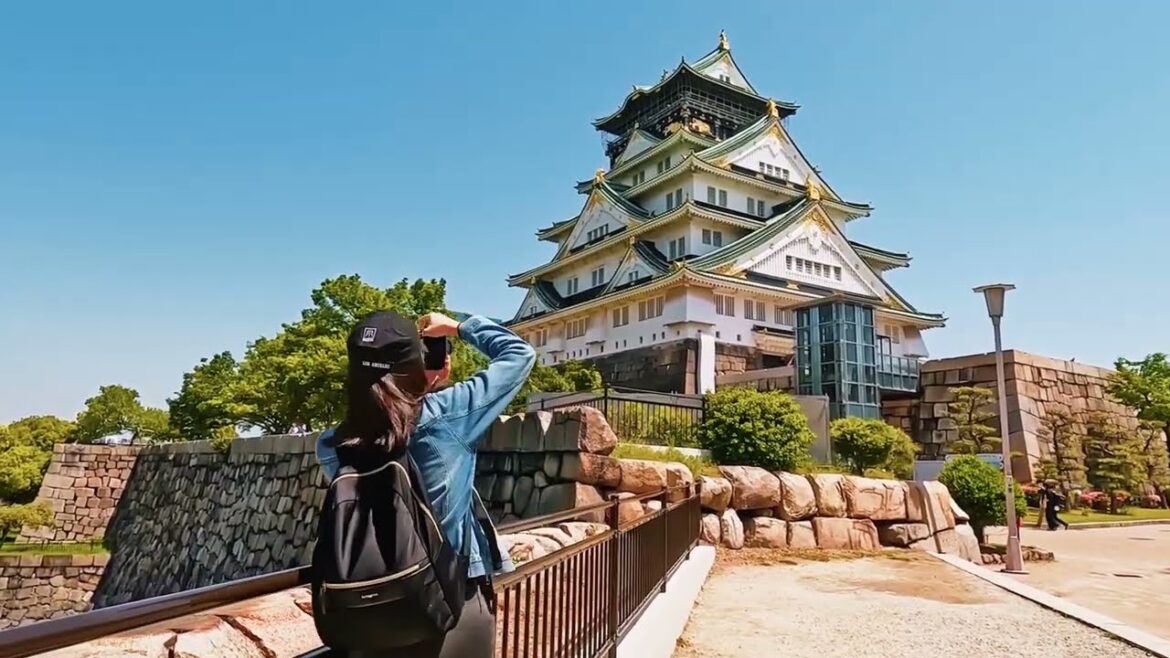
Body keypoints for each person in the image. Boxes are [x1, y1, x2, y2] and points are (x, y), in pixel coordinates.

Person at [315, 310, 535, 658]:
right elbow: (519, 355)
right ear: (415, 365)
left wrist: (415, 385)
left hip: (369, 610)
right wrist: (458, 327)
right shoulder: (447, 415)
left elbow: (387, 414)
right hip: (451, 603)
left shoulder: (331, 445)